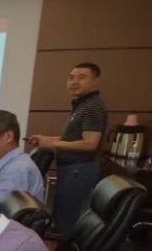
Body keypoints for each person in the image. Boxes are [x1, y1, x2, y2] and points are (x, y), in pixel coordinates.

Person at [27, 62, 108, 234]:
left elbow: (90, 143)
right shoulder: (82, 104)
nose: (74, 82)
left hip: (80, 170)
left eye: (81, 77)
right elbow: (73, 139)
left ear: (95, 81)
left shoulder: (92, 106)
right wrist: (46, 139)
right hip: (72, 169)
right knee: (62, 217)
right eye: (71, 78)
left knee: (69, 221)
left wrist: (53, 143)